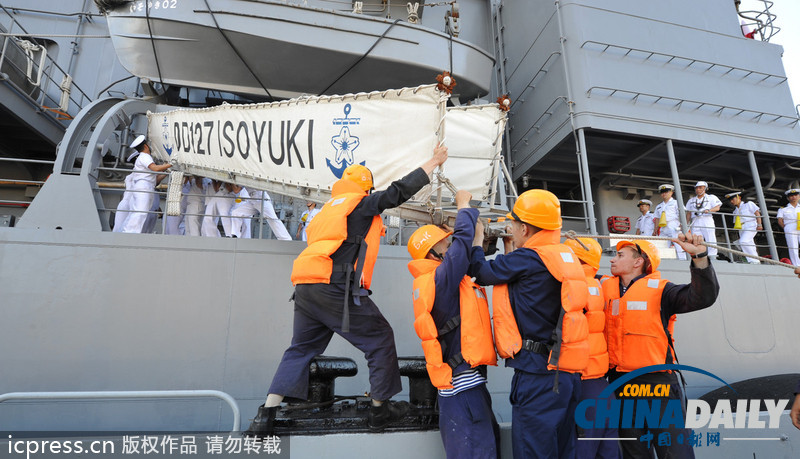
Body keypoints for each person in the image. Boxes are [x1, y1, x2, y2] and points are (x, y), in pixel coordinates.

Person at [245, 144, 449, 435]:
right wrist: (433, 162)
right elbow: (397, 192)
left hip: (304, 287)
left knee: (300, 349)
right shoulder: (360, 203)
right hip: (333, 286)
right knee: (379, 338)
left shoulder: (326, 211)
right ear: (365, 190)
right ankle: (380, 410)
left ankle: (267, 413)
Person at [469, 189, 589, 459]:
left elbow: (481, 272)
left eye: (513, 223)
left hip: (538, 375)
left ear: (524, 227)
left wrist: (477, 241)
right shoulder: (562, 255)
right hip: (566, 373)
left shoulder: (530, 258)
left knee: (533, 450)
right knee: (563, 450)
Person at [603, 234, 719, 459]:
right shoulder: (604, 287)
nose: (612, 259)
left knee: (674, 452)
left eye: (619, 255)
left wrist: (699, 257)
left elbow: (703, 297)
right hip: (620, 384)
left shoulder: (663, 291)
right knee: (634, 453)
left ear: (638, 262)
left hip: (657, 384)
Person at [406, 190, 499, 459]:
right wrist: (463, 207)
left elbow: (464, 257)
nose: (451, 246)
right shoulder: (440, 280)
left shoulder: (440, 281)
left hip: (464, 387)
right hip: (463, 391)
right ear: (433, 254)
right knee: (477, 452)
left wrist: (478, 238)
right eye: (445, 244)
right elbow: (460, 253)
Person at [564, 237, 621, 459]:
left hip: (583, 385)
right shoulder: (599, 285)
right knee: (608, 452)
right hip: (602, 387)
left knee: (582, 452)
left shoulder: (572, 289)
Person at [119, 135, 172, 233]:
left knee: (141, 212)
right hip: (143, 188)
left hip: (147, 187)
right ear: (146, 146)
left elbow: (154, 179)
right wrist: (170, 164)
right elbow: (155, 168)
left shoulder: (143, 157)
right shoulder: (144, 156)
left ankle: (129, 232)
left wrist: (167, 169)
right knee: (140, 212)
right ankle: (130, 233)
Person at [685, 181, 722, 258]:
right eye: (697, 188)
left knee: (710, 237)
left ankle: (712, 255)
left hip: (706, 219)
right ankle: (698, 254)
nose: (698, 189)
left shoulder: (711, 197)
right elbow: (688, 213)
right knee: (696, 238)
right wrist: (686, 223)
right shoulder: (691, 200)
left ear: (705, 188)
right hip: (695, 220)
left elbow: (717, 207)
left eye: (700, 188)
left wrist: (709, 210)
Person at [725, 191, 763, 264]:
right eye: (730, 200)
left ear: (739, 197)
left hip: (750, 224)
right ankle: (755, 260)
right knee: (749, 243)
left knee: (744, 241)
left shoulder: (748, 204)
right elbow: (735, 223)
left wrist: (759, 224)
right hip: (741, 227)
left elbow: (757, 213)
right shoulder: (735, 211)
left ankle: (753, 260)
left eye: (733, 199)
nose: (732, 201)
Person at [652, 184, 686, 260]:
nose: (664, 194)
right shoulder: (659, 206)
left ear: (671, 193)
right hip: (663, 227)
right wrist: (655, 229)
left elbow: (683, 214)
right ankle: (662, 260)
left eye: (666, 192)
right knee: (661, 245)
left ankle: (683, 260)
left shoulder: (676, 203)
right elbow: (657, 218)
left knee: (679, 245)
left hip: (674, 225)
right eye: (662, 192)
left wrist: (683, 226)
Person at [777, 188, 800, 266]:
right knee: (793, 247)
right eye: (791, 196)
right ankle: (797, 264)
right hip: (790, 226)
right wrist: (786, 228)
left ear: (799, 196)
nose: (794, 197)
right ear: (788, 198)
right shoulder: (783, 209)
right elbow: (780, 220)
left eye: (796, 195)